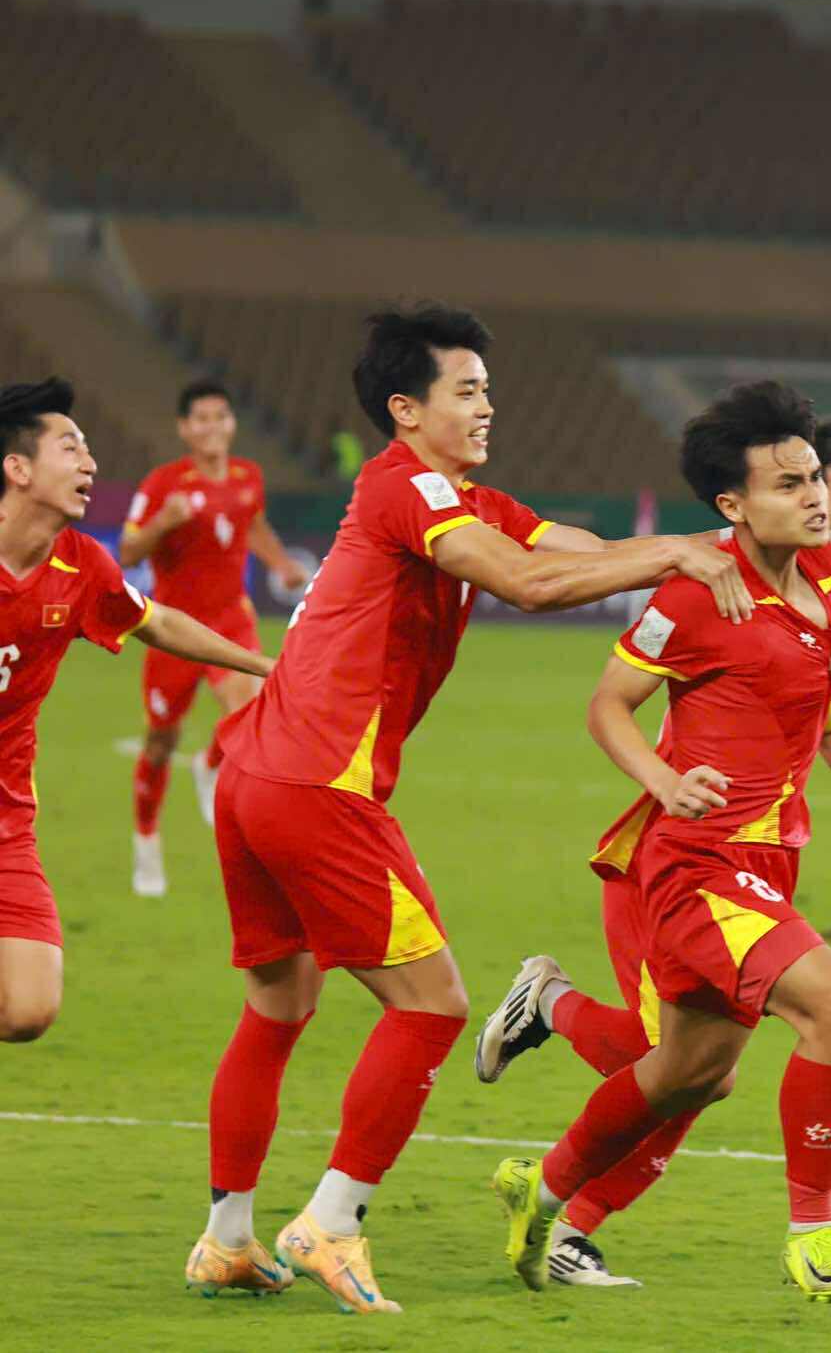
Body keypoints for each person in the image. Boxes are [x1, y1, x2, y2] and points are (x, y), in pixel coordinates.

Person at [183, 305, 752, 1314]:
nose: (488, 402)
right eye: (466, 388)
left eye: (489, 386)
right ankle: (332, 1219)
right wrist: (671, 555)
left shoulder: (454, 494)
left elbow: (567, 545)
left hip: (254, 772)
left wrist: (707, 547)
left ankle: (227, 1238)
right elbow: (532, 583)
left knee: (278, 1003)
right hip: (321, 783)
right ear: (406, 408)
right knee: (434, 1004)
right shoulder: (410, 491)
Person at [489, 383, 831, 1305]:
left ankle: (541, 1190)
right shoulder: (695, 593)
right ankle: (813, 1235)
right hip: (695, 864)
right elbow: (608, 705)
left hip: (770, 864)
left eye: (814, 482)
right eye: (791, 485)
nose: (818, 498)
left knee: (684, 1073)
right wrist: (662, 780)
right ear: (732, 505)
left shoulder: (827, 576)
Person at [0, 377, 276, 1044]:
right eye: (71, 448)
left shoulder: (80, 566)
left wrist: (274, 667)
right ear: (18, 467)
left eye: (89, 450)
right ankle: (150, 839)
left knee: (29, 1010)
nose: (91, 464)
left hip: (7, 817)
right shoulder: (163, 487)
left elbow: (159, 623)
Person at [120, 380, 310, 897]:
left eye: (220, 417)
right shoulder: (164, 484)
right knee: (160, 743)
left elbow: (253, 526)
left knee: (249, 711)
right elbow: (129, 553)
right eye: (200, 419)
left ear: (231, 423)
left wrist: (279, 563)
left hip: (231, 619)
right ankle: (146, 839)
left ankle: (209, 766)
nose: (211, 427)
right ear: (184, 428)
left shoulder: (249, 476)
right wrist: (164, 521)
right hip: (172, 630)